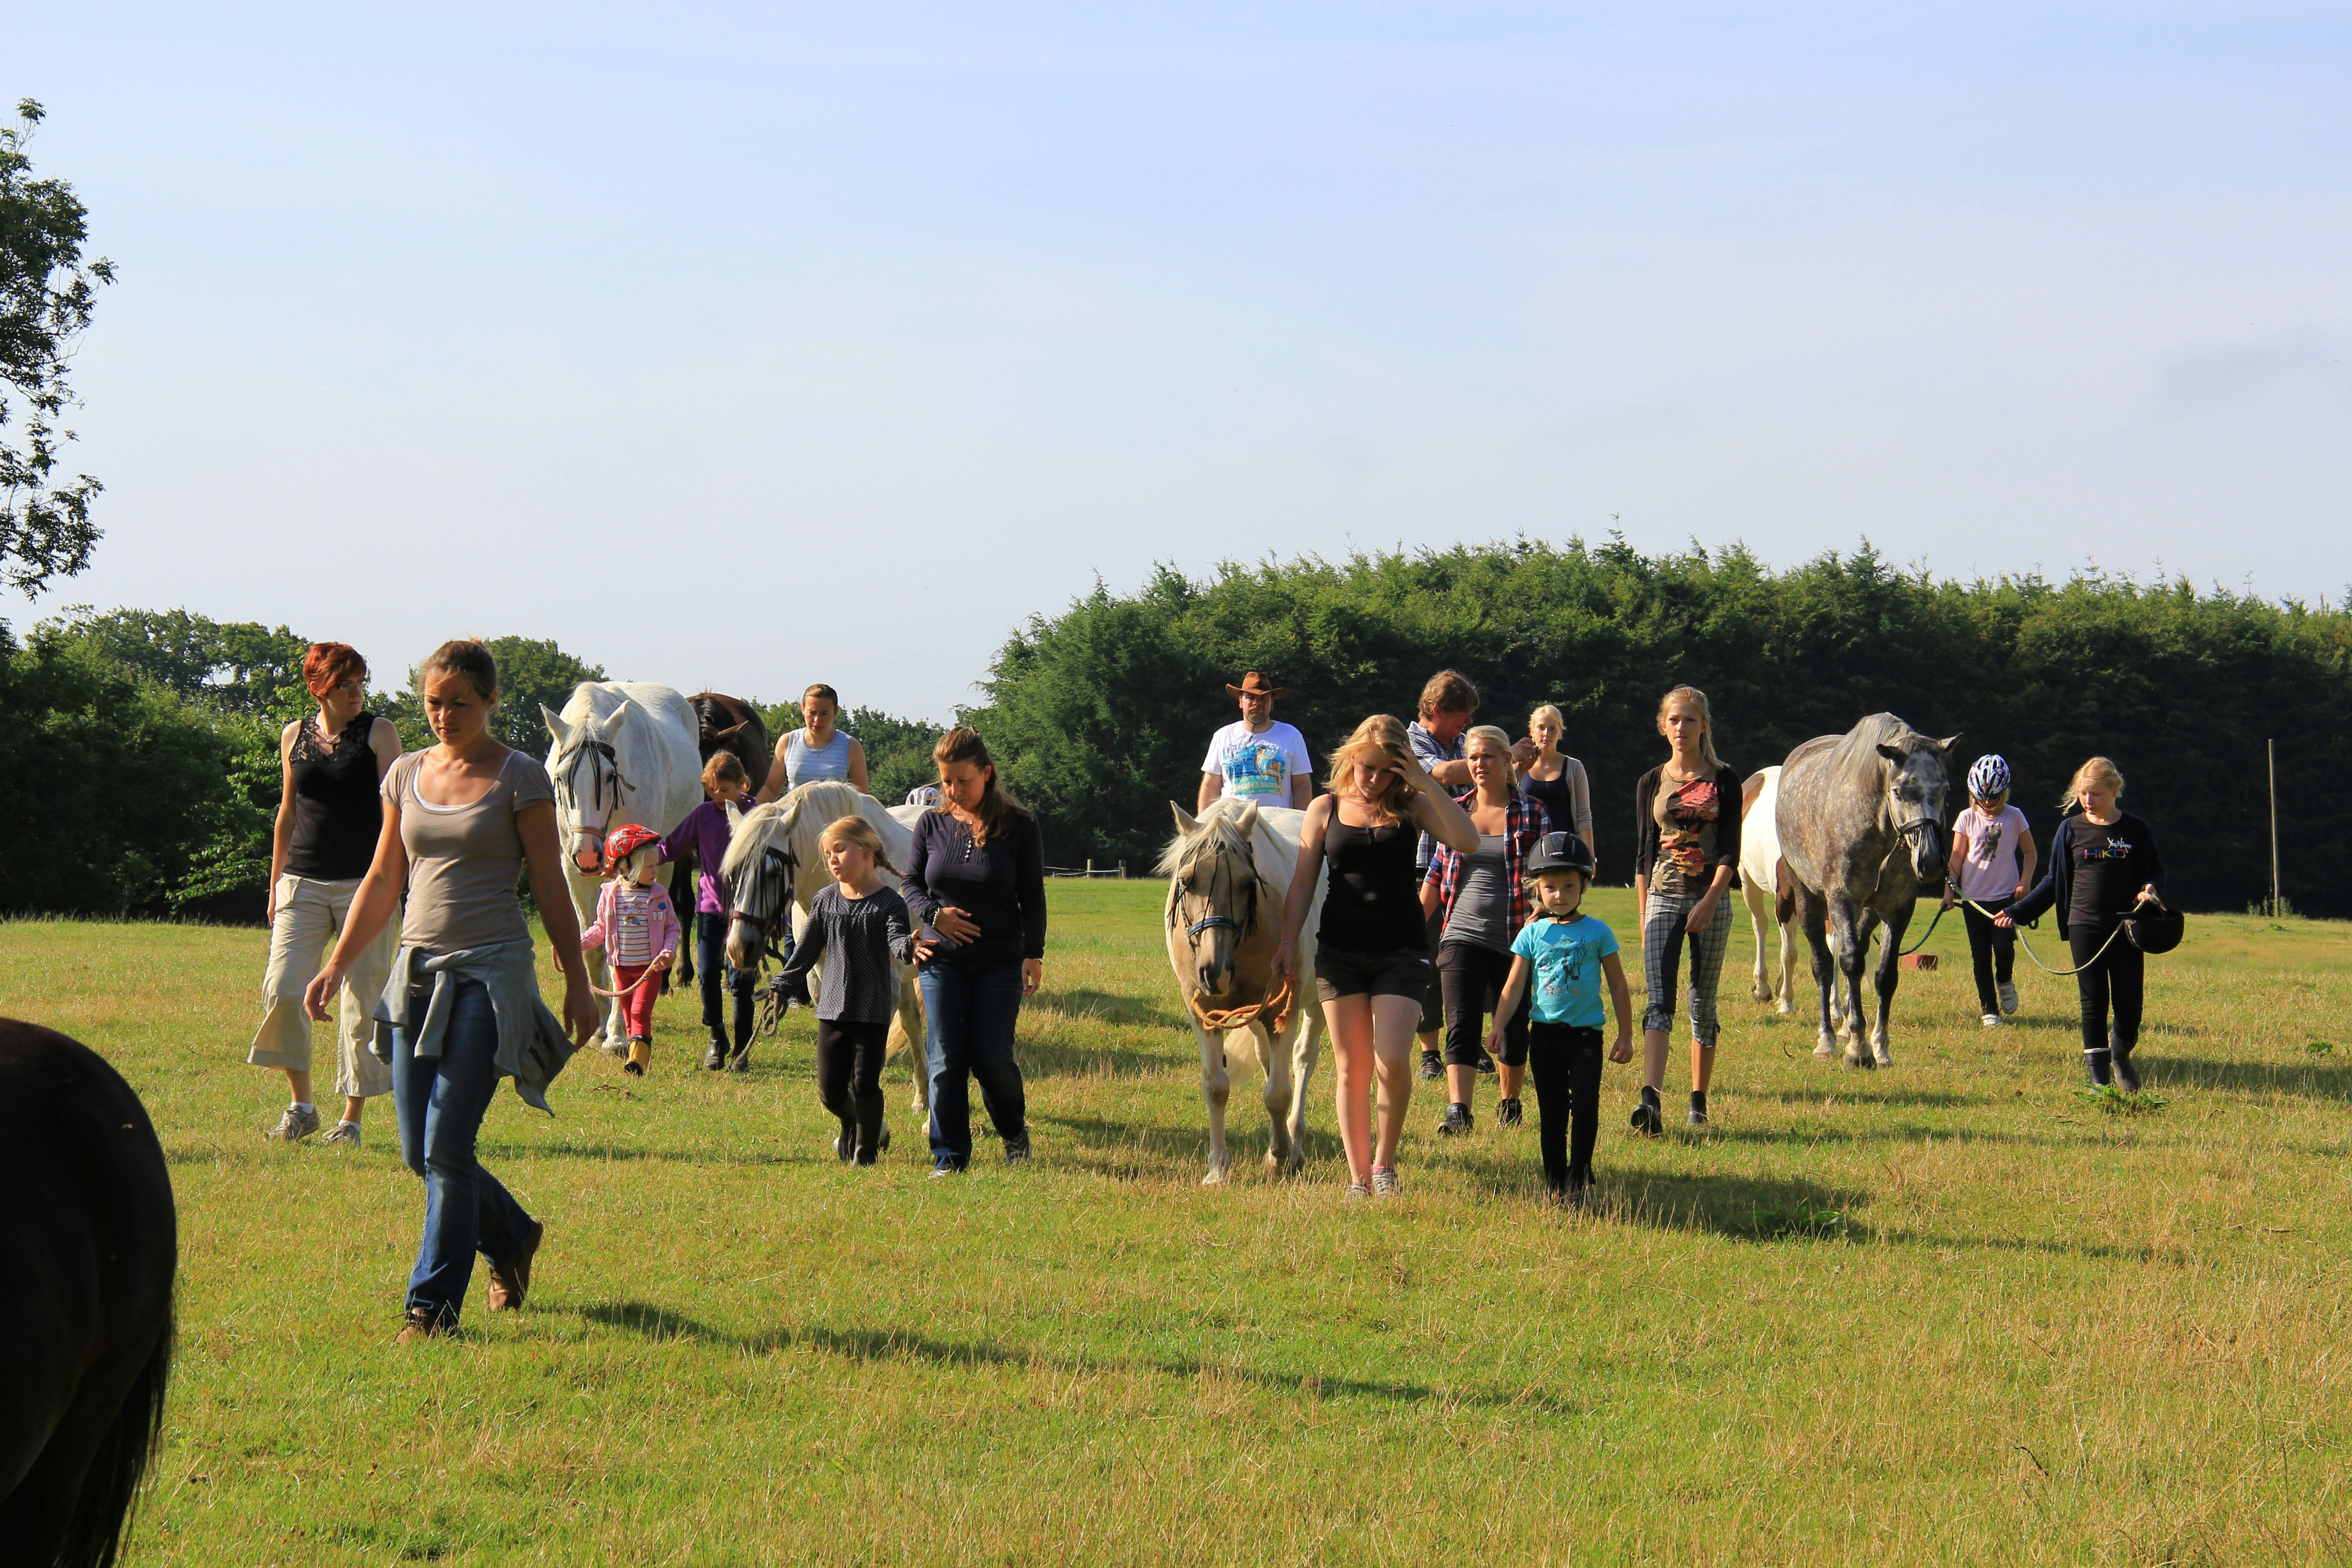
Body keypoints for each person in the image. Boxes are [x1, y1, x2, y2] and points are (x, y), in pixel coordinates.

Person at [304, 640, 599, 1342]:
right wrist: (337, 964)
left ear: (491, 702)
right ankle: (514, 1235)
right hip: (415, 971)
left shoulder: (521, 776)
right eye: (434, 702)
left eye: (459, 704)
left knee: (445, 1144)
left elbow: (550, 884)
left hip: (491, 972)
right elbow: (383, 880)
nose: (443, 716)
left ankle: (430, 1310)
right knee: (419, 1151)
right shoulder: (404, 774)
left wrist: (579, 983)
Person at [1275, 715, 1479, 1198]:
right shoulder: (1323, 809)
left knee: (1391, 1058)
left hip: (1401, 950)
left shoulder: (1413, 806)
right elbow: (1303, 882)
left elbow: (1468, 840)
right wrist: (1286, 942)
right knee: (1352, 1067)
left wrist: (1425, 781)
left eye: (1386, 771)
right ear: (1350, 759)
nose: (1373, 779)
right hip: (1339, 952)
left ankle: (1385, 1166)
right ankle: (1358, 1177)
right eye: (1366, 768)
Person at [252, 642, 403, 1146]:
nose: (356, 692)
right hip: (302, 880)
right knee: (284, 988)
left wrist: (394, 880)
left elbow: (396, 814)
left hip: (368, 885)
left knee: (364, 999)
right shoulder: (293, 735)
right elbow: (287, 813)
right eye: (345, 684)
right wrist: (276, 883)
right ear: (318, 687)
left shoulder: (380, 733)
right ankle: (302, 1107)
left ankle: (351, 1121)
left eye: (361, 682)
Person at [902, 726, 1046, 1174]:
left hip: (1000, 962)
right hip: (941, 959)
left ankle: (1013, 1132)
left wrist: (1033, 954)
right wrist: (934, 915)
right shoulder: (932, 823)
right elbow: (910, 884)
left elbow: (1032, 895)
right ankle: (949, 1158)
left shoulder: (1019, 826)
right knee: (945, 1058)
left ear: (987, 773)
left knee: (991, 1060)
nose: (953, 790)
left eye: (962, 780)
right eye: (946, 780)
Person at [1998, 758, 2167, 1091]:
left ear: (2115, 791)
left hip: (2127, 929)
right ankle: (2100, 1081)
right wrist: (2018, 912)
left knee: (2130, 1003)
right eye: (2083, 794)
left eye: (2096, 794)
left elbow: (2155, 870)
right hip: (2084, 925)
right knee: (2093, 1002)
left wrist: (2151, 888)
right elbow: (2052, 882)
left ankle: (2121, 1054)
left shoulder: (2136, 830)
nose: (2088, 800)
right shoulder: (2070, 830)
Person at [1487, 833, 1633, 1206]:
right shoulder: (1532, 933)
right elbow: (1513, 987)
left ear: (1584, 885)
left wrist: (1626, 1035)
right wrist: (1499, 1026)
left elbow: (1618, 986)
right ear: (1537, 889)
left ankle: (1580, 1177)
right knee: (1552, 1112)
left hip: (1586, 1037)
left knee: (1585, 1105)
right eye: (1550, 887)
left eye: (1569, 886)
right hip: (1546, 1037)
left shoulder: (1599, 932)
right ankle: (1555, 1183)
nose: (1559, 895)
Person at [1421, 724, 1548, 1136]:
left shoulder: (1532, 812)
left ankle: (1510, 1100)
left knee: (1513, 1026)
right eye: (1473, 757)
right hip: (1460, 932)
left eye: (1488, 756)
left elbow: (1547, 875)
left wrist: (1541, 913)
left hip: (1516, 934)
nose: (1479, 765)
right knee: (1461, 1019)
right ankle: (1459, 1111)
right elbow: (1437, 877)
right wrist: (1410, 926)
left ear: (1508, 760)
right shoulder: (1455, 809)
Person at [1631, 685, 1743, 1133]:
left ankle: (1698, 1102)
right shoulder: (1651, 781)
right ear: (1663, 725)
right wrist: (1643, 916)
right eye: (1674, 720)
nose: (1681, 728)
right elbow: (1642, 855)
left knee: (1703, 1001)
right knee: (1659, 1002)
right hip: (1662, 896)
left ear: (1704, 726)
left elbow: (1731, 853)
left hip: (1711, 898)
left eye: (1690, 720)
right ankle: (1650, 1103)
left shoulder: (1725, 779)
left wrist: (1711, 902)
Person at [774, 815, 916, 1165]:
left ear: (867, 851)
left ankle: (866, 1153)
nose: (832, 859)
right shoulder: (824, 901)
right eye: (827, 854)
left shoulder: (889, 903)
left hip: (873, 1008)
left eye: (840, 849)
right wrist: (783, 982)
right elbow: (806, 951)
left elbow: (897, 940)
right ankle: (857, 1122)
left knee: (865, 1084)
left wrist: (908, 947)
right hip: (832, 1009)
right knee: (831, 1092)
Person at [660, 752, 758, 1070]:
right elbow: (671, 847)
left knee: (741, 981)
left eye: (725, 790)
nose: (718, 797)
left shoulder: (757, 815)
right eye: (712, 790)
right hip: (710, 909)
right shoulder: (703, 815)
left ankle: (741, 1050)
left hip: (745, 914)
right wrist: (635, 853)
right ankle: (717, 1038)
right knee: (705, 975)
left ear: (742, 785)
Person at [1408, 670, 1480, 1082]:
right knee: (1430, 958)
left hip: (1464, 863)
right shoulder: (1410, 741)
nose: (1466, 723)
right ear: (1437, 710)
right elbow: (1442, 775)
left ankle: (1463, 1044)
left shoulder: (1454, 743)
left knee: (1465, 957)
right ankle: (1430, 1053)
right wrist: (1494, 759)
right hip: (1424, 866)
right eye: (1461, 715)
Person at [1941, 754, 2037, 1029]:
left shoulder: (2015, 816)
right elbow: (1957, 857)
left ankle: (2005, 980)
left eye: (1993, 798)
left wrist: (2025, 882)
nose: (1987, 803)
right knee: (1980, 955)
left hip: (2006, 899)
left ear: (2004, 792)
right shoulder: (1966, 818)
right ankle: (1989, 1009)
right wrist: (1949, 890)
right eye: (1981, 798)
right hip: (1974, 899)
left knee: (2004, 949)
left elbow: (2030, 853)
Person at [579, 824, 682, 1077]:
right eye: (649, 867)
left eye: (656, 865)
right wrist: (573, 945)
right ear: (625, 867)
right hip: (622, 970)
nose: (656, 871)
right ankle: (639, 1055)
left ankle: (637, 1062)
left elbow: (673, 928)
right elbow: (600, 928)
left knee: (640, 1012)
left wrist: (669, 952)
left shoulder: (660, 896)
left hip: (650, 969)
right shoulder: (611, 895)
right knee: (628, 1017)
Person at [1198, 671, 1315, 811]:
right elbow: (1210, 785)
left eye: (1264, 698)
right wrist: (1203, 825)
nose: (1257, 703)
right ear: (1241, 702)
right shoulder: (1223, 736)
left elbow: (1301, 784)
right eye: (1251, 698)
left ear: (1272, 704)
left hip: (1278, 826)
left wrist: (1302, 824)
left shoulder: (1291, 735)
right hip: (1232, 825)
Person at [756, 682, 868, 801]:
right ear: (803, 710)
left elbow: (862, 798)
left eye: (824, 714)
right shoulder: (787, 742)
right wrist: (749, 815)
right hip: (795, 818)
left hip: (836, 819)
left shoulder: (851, 747)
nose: (817, 720)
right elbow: (771, 789)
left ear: (836, 712)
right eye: (812, 713)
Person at [1511, 704, 1594, 860]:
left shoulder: (1574, 767)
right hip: (1528, 850)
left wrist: (1590, 856)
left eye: (1552, 729)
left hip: (1566, 848)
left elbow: (1583, 816)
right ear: (1532, 731)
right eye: (1541, 728)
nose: (1546, 734)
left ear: (1560, 733)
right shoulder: (1517, 768)